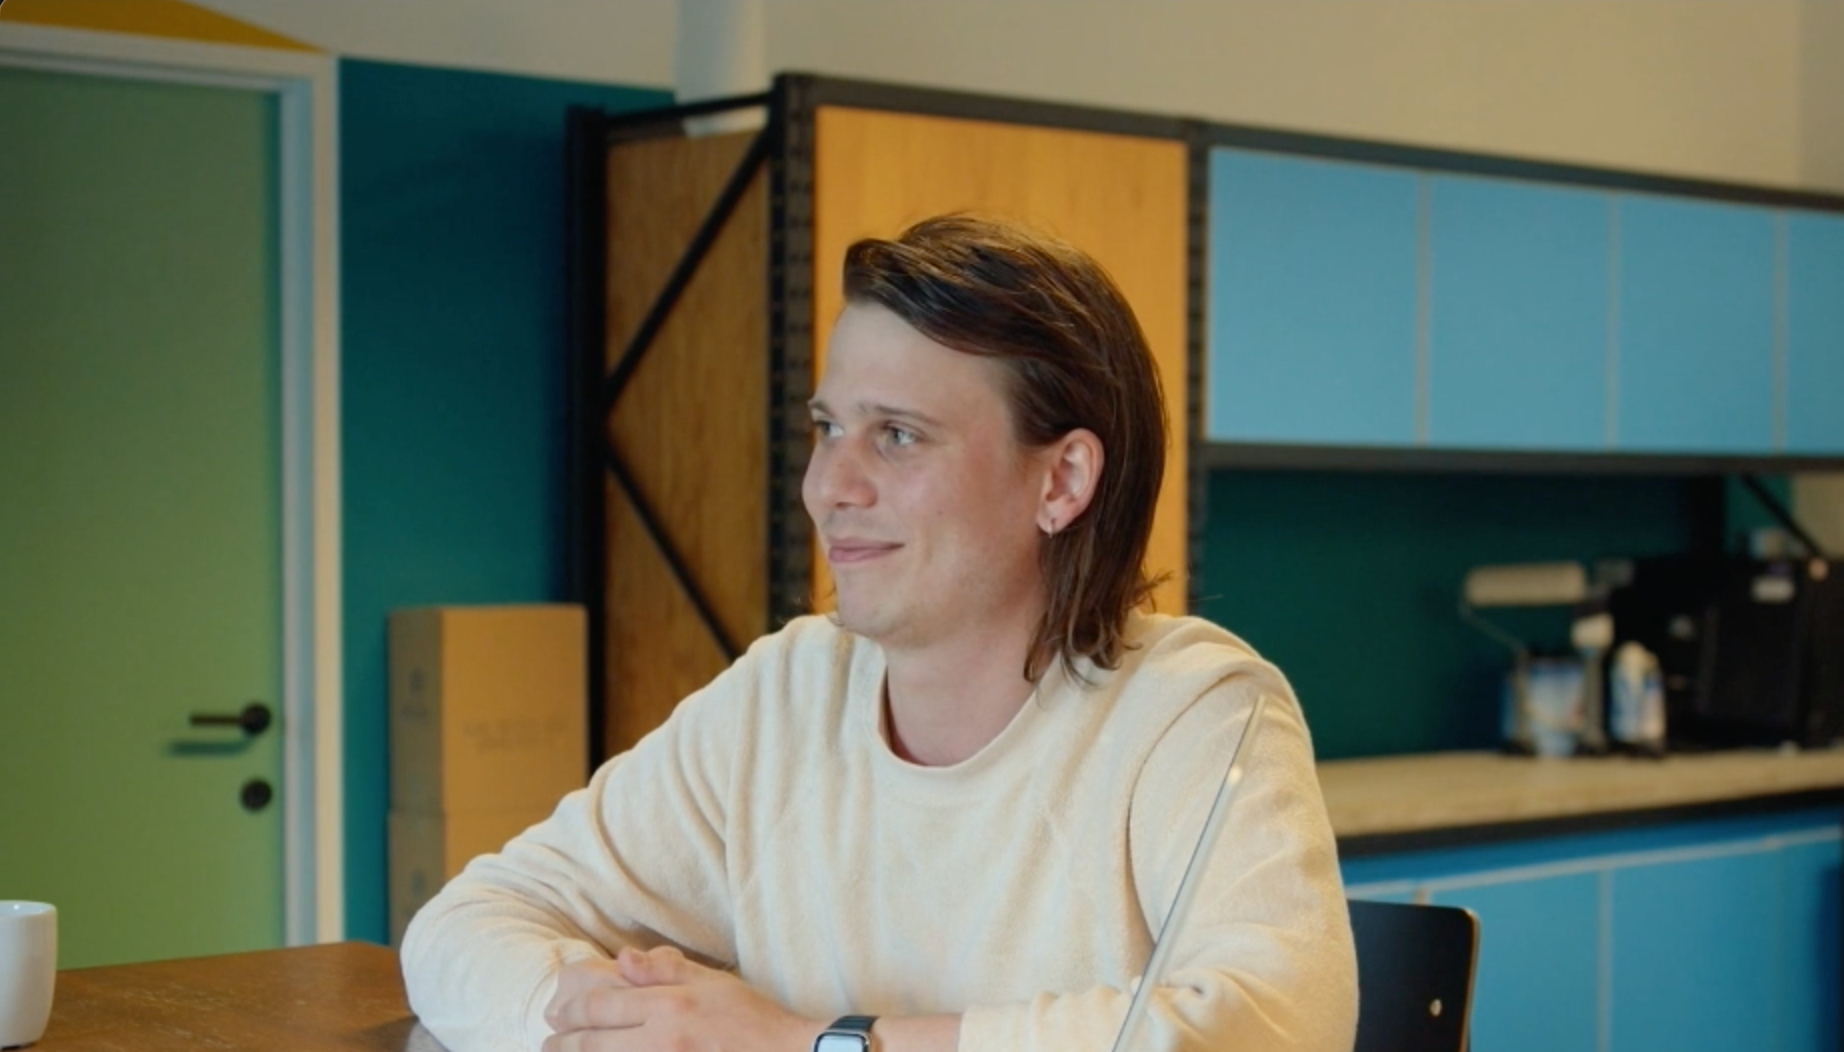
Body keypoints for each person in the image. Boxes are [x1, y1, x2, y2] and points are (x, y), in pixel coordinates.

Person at [401, 214, 1358, 1052]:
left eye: (897, 435)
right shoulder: (785, 695)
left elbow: (1281, 1028)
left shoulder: (1197, 714)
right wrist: (613, 1026)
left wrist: (809, 1047)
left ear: (1062, 481)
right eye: (827, 428)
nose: (828, 487)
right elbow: (465, 925)